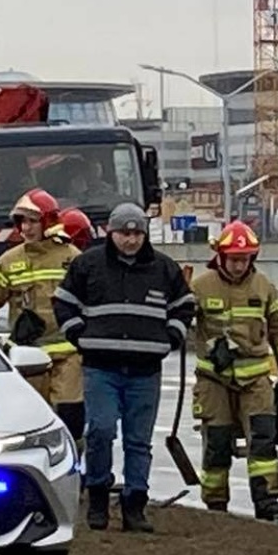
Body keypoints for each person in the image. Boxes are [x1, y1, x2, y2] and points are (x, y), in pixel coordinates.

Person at [54, 202, 194, 533]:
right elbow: (63, 301)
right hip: (101, 367)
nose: (130, 240)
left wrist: (171, 337)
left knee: (138, 441)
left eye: (136, 233)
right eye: (124, 233)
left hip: (145, 370)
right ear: (110, 232)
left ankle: (135, 505)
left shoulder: (164, 268)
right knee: (101, 430)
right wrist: (78, 334)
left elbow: (184, 306)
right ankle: (99, 496)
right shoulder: (87, 265)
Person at [188, 219, 278, 519]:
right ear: (220, 256)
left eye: (244, 260)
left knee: (263, 440)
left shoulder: (264, 287)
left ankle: (266, 499)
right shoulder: (202, 286)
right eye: (233, 259)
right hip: (214, 380)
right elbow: (183, 323)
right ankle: (216, 504)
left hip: (256, 378)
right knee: (217, 442)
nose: (238, 266)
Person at [0, 190, 83, 442]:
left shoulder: (71, 257)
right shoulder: (9, 261)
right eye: (22, 221)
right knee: (32, 419)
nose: (27, 227)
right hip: (29, 356)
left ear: (48, 221)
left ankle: (75, 467)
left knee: (71, 413)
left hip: (69, 354)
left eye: (33, 220)